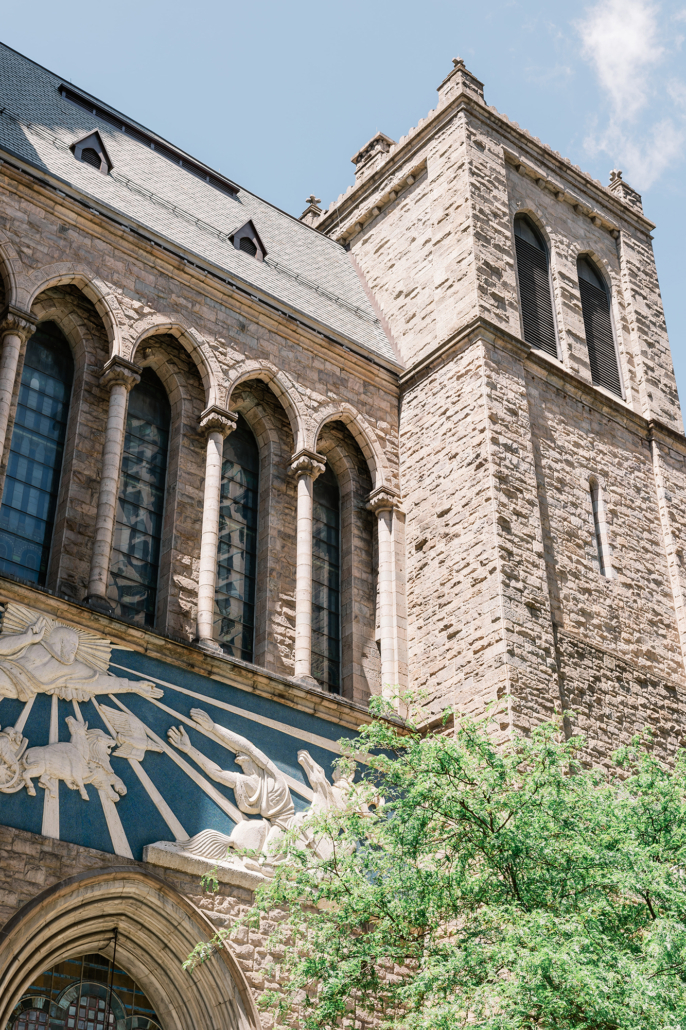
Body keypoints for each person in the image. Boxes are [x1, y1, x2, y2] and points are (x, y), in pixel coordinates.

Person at [0, 616, 162, 702]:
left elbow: (99, 683)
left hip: (15, 688)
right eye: (70, 644)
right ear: (60, 642)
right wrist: (26, 638)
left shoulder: (73, 669)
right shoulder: (34, 645)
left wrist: (134, 686)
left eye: (75, 645)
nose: (74, 649)